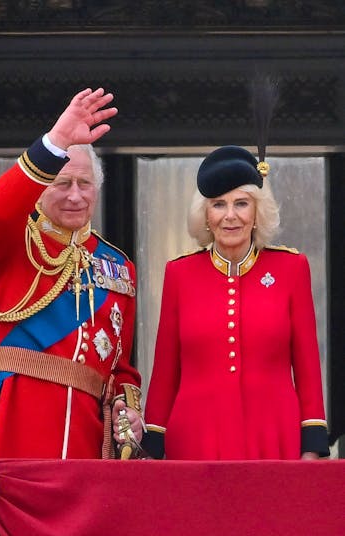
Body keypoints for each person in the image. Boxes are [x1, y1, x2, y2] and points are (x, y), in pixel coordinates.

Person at [0, 88, 144, 459]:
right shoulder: (10, 243)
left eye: (84, 184)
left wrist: (129, 408)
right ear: (40, 189)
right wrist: (56, 141)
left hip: (85, 441)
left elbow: (119, 366)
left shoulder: (118, 266)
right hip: (10, 433)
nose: (75, 196)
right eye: (62, 183)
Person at [140, 146, 329, 459]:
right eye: (218, 205)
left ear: (257, 212)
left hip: (273, 436)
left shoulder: (291, 269)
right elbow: (164, 373)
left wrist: (311, 446)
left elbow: (308, 368)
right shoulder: (180, 273)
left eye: (241, 203)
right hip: (195, 440)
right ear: (205, 215)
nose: (230, 216)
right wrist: (154, 445)